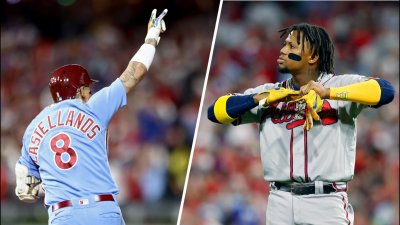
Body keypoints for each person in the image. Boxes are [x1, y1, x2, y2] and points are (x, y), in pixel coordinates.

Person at [207, 23, 395, 225]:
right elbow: (215, 112)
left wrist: (329, 94)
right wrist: (257, 99)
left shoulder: (339, 85)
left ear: (313, 57)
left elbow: (385, 91)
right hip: (279, 200)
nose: (283, 50)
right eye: (285, 45)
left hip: (326, 201)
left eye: (291, 46)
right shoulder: (269, 92)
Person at [14, 9, 168, 225]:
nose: (90, 92)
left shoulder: (32, 128)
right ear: (78, 90)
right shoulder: (92, 108)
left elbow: (25, 192)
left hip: (63, 215)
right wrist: (151, 38)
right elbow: (136, 73)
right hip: (102, 210)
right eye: (87, 88)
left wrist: (52, 184)